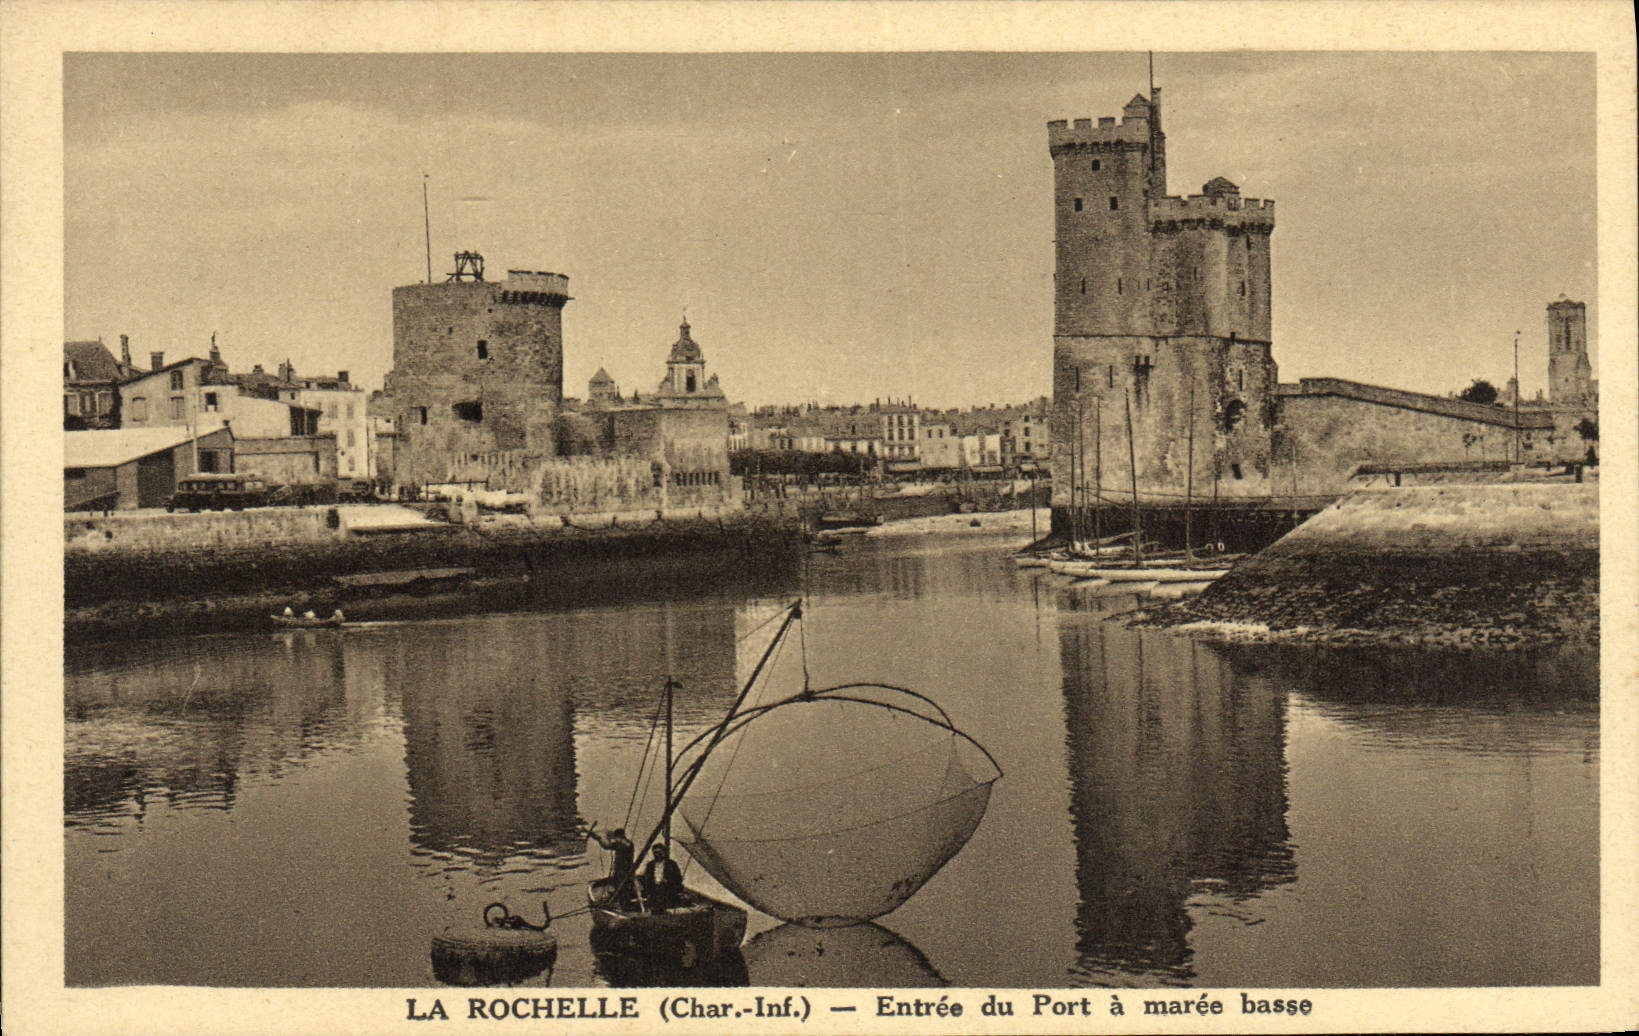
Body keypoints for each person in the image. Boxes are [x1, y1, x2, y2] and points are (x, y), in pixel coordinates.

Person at [588, 824, 637, 908]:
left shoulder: (627, 844)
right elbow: (607, 846)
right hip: (619, 870)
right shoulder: (620, 844)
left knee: (625, 886)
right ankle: (621, 899)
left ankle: (626, 903)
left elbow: (616, 844)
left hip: (626, 871)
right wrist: (598, 838)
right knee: (619, 885)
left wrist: (605, 839)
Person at [641, 844, 684, 913]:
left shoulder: (671, 864)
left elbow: (678, 879)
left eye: (659, 852)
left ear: (664, 852)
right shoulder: (650, 865)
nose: (657, 854)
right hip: (654, 890)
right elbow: (647, 879)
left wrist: (667, 881)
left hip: (667, 889)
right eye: (655, 853)